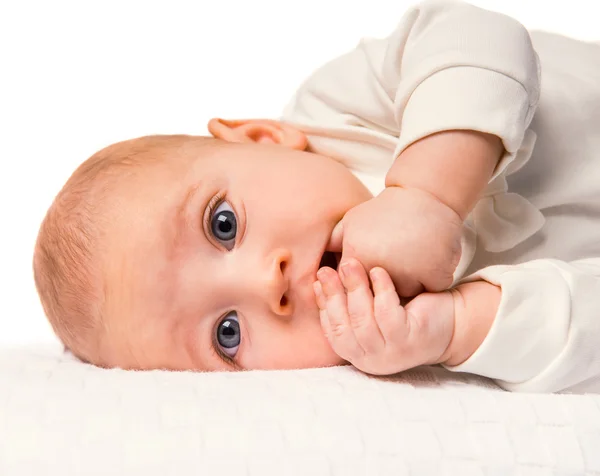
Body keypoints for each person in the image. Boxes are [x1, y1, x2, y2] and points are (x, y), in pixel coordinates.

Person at [33, 0, 600, 393]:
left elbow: (482, 35)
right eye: (227, 335)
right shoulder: (396, 343)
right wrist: (456, 328)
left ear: (263, 138)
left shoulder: (339, 115)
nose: (267, 284)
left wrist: (427, 192)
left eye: (223, 224)